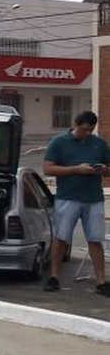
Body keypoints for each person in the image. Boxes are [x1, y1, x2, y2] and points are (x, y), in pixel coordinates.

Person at [42, 110, 110, 297]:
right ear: (76, 125)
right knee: (61, 237)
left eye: (91, 130)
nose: (87, 133)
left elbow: (108, 168)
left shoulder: (100, 144)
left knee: (95, 239)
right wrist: (76, 169)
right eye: (84, 129)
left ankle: (101, 281)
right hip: (67, 197)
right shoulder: (59, 142)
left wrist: (103, 170)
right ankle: (54, 277)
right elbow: (48, 168)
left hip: (93, 198)